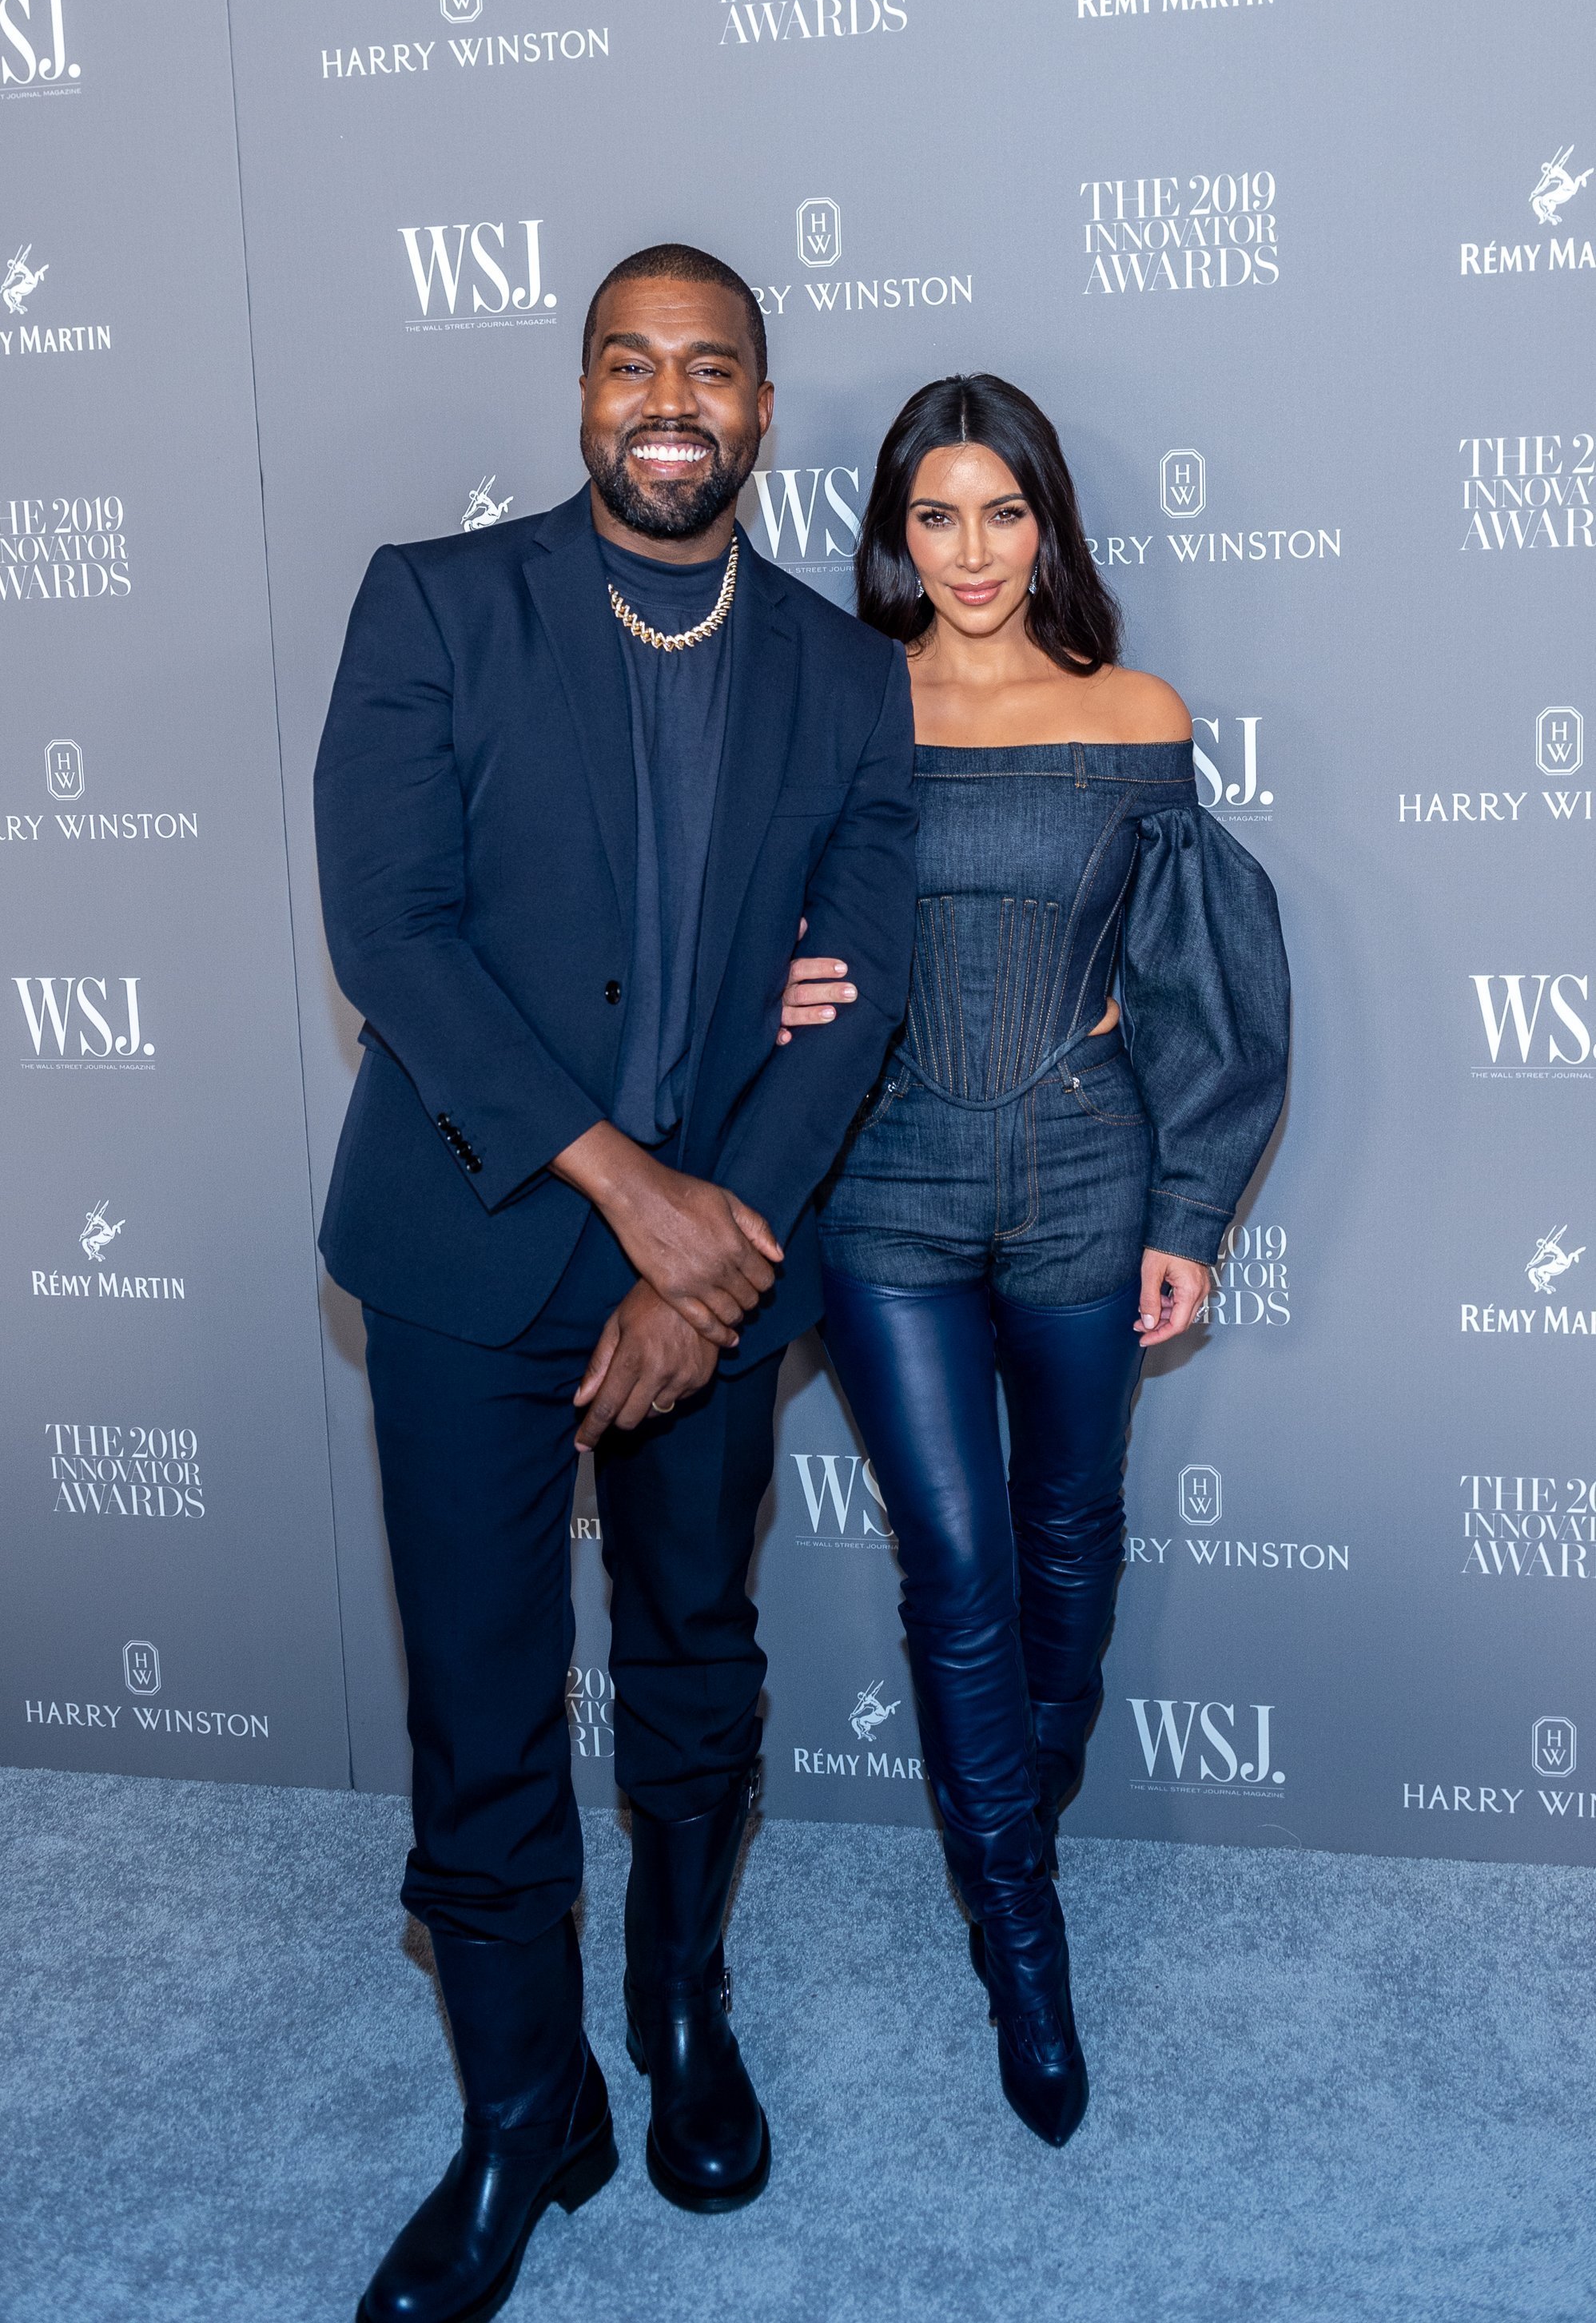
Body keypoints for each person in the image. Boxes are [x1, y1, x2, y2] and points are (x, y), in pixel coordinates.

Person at [314, 245, 917, 2323]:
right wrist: (619, 1191)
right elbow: (393, 933)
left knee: (687, 1652)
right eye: (628, 362)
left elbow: (857, 992)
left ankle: (677, 2013)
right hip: (470, 1249)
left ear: (759, 409)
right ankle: (519, 2117)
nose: (669, 398)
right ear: (583, 393)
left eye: (713, 368)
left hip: (723, 1265)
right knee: (479, 1700)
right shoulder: (433, 608)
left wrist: (707, 1248)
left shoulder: (848, 679)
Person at [780, 374, 1289, 2150]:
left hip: (1087, 1165)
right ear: (893, 535)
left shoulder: (1136, 712)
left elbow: (1203, 978)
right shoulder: (837, 704)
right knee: (957, 1563)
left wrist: (1190, 1210)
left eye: (1005, 514)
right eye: (938, 515)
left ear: (1050, 525)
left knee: (1072, 1539)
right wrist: (764, 978)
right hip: (886, 1181)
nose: (974, 552)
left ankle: (1023, 1799)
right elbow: (728, 901)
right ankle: (1023, 1939)